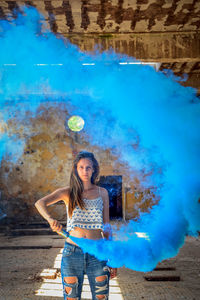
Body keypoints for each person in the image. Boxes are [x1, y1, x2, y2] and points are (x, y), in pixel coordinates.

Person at [35, 150, 117, 300]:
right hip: (72, 253)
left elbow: (106, 227)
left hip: (97, 252)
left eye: (88, 167)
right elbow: (39, 203)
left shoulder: (102, 192)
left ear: (94, 169)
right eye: (81, 167)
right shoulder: (67, 192)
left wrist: (112, 256)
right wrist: (50, 219)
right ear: (76, 169)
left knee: (101, 298)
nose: (85, 171)